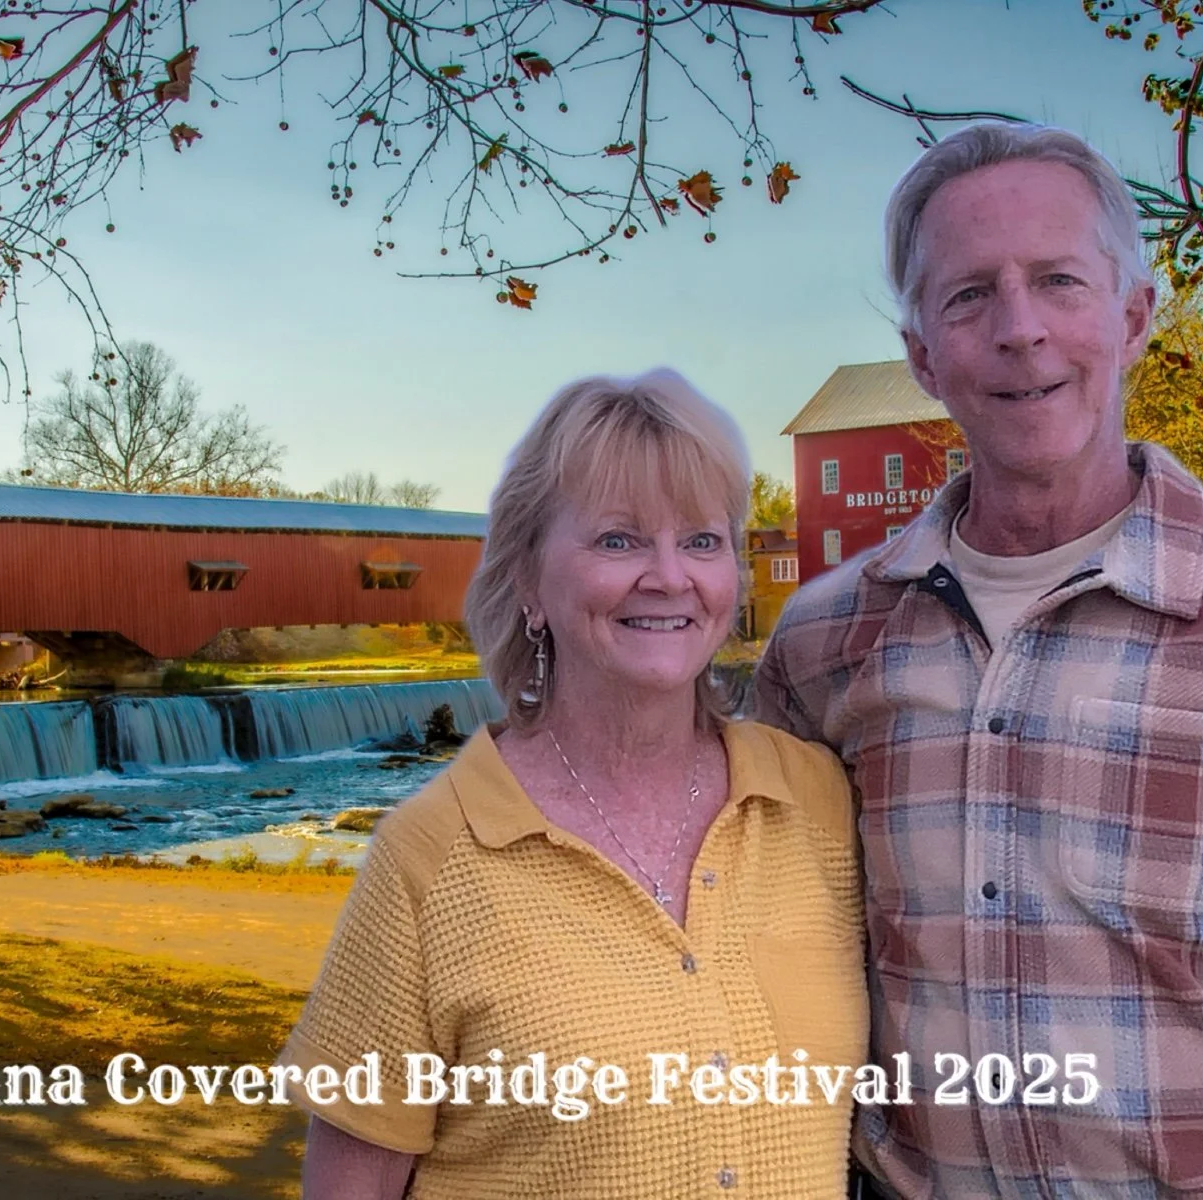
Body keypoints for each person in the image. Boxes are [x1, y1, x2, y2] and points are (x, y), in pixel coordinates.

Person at [752, 121, 1203, 1198]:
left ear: (1133, 317)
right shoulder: (824, 644)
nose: (1019, 329)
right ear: (924, 356)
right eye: (970, 294)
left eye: (1058, 281)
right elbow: (770, 971)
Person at [276, 370, 867, 1198]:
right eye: (618, 540)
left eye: (701, 540)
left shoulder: (814, 802)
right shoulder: (432, 857)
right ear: (526, 580)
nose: (669, 576)